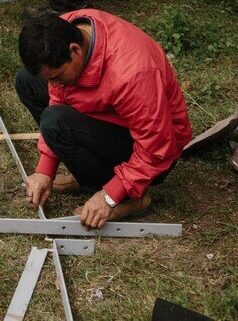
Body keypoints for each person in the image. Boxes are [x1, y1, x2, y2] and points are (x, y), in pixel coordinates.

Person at [14, 11, 192, 228]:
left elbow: (156, 149)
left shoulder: (133, 74)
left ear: (75, 50)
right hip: (111, 116)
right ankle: (87, 173)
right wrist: (45, 169)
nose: (53, 85)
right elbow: (58, 96)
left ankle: (129, 197)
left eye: (58, 76)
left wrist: (109, 196)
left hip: (154, 148)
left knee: (55, 122)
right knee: (26, 81)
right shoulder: (69, 26)